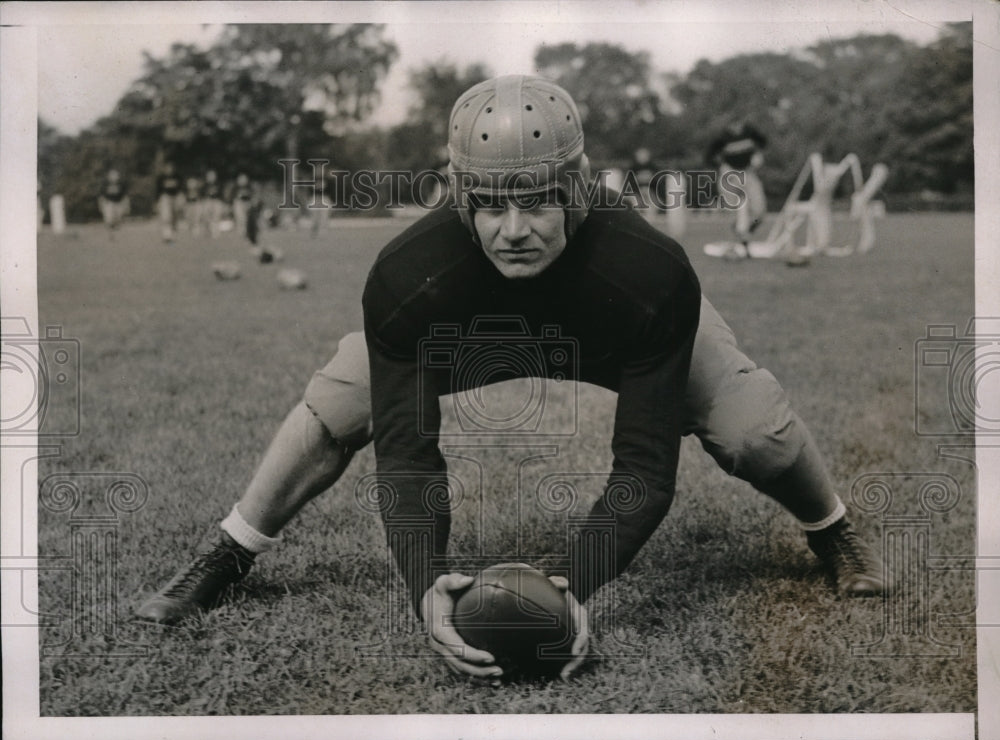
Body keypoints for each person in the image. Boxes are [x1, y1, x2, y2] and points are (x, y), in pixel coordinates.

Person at [137, 76, 884, 681]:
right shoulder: (410, 276)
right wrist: (427, 579)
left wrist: (573, 580)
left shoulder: (648, 270)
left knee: (753, 424)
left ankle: (833, 529)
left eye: (537, 198)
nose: (514, 228)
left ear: (579, 189)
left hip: (611, 333)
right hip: (465, 332)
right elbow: (407, 456)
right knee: (338, 399)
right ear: (460, 194)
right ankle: (230, 548)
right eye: (491, 204)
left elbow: (647, 467)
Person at [706, 121, 769, 258]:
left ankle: (745, 236)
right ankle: (740, 244)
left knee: (759, 212)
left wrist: (758, 156)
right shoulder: (722, 138)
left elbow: (763, 143)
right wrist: (721, 166)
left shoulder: (751, 133)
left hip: (748, 173)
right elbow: (709, 156)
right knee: (734, 213)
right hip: (730, 175)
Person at [155, 162, 183, 243]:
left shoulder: (177, 177)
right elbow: (158, 191)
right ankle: (167, 235)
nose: (168, 169)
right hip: (165, 197)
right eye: (167, 168)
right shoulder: (161, 178)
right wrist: (157, 202)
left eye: (170, 167)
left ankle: (173, 233)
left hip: (175, 198)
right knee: (166, 216)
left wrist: (180, 199)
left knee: (174, 217)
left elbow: (180, 189)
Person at [97, 168, 130, 237]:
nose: (114, 177)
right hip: (108, 203)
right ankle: (110, 233)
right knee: (109, 218)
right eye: (112, 175)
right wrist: (101, 205)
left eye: (116, 175)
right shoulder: (105, 185)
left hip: (118, 203)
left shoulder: (121, 185)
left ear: (118, 176)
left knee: (118, 219)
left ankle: (114, 230)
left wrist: (127, 205)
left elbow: (125, 196)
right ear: (109, 176)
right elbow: (101, 196)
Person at [200, 169, 224, 238]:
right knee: (206, 214)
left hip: (216, 201)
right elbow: (202, 195)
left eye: (213, 175)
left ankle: (215, 231)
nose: (211, 177)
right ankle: (207, 230)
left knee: (216, 215)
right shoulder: (204, 185)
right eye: (209, 176)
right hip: (207, 201)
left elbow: (221, 195)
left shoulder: (219, 184)